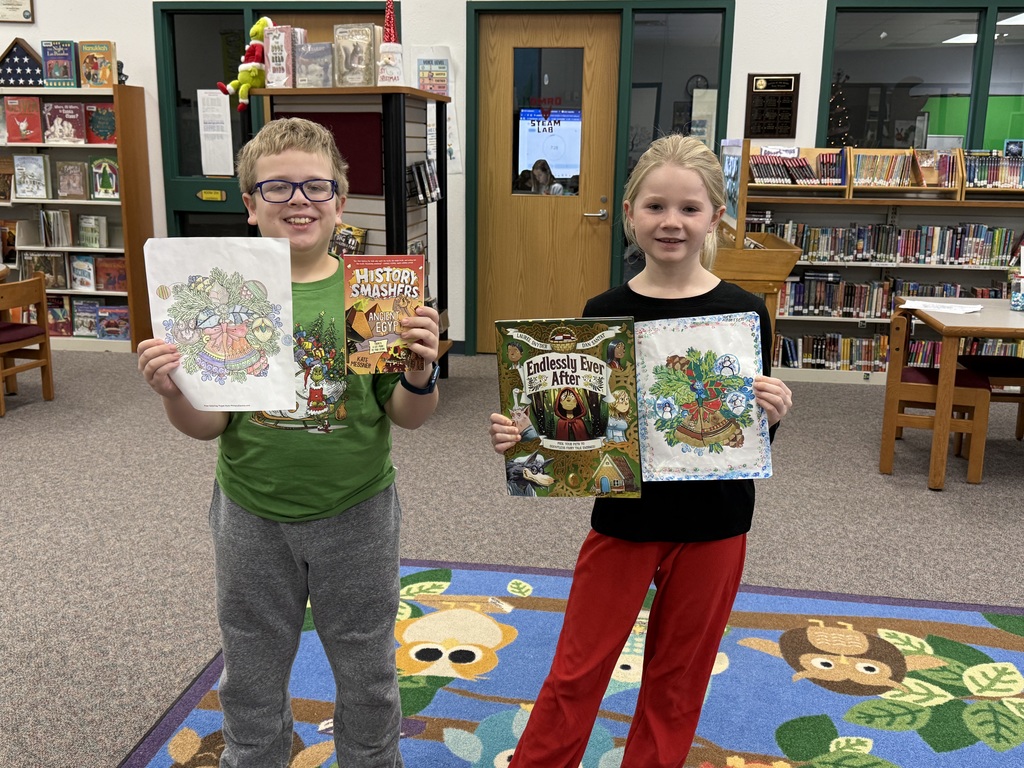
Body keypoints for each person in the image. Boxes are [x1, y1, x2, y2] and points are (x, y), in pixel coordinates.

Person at [137, 117, 441, 768]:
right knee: (250, 664)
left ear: (340, 199)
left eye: (315, 186)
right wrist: (175, 392)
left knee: (366, 667)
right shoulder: (224, 297)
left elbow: (408, 417)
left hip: (357, 512)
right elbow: (209, 427)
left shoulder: (370, 294)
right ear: (250, 204)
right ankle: (254, 757)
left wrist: (420, 373)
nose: (299, 200)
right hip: (251, 513)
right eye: (277, 187)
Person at [488, 133, 793, 768]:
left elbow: (744, 437)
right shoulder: (605, 311)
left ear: (716, 216)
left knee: (678, 682)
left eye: (689, 208)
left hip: (715, 524)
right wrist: (527, 437)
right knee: (577, 672)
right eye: (655, 206)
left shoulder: (743, 313)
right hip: (623, 518)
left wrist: (771, 416)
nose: (671, 222)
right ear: (630, 213)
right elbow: (582, 424)